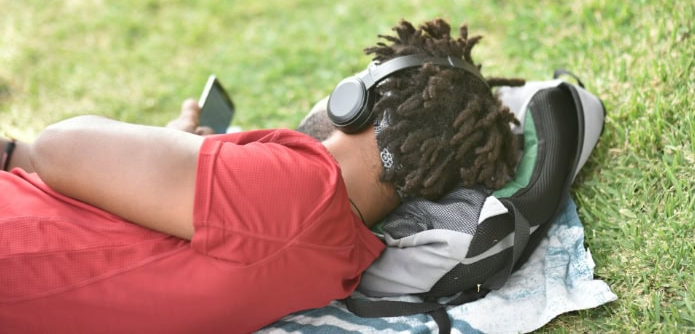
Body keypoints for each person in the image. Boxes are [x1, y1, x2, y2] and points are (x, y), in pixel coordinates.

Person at [0, 18, 522, 333]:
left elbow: (58, 147)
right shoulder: (339, 258)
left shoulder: (300, 188)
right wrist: (172, 154)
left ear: (360, 99)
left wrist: (169, 150)